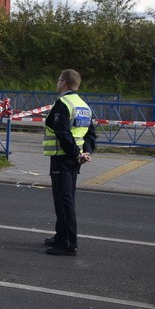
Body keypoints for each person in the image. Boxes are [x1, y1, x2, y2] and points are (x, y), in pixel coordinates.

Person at [42, 69, 97, 256]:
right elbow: (91, 134)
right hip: (75, 159)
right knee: (66, 198)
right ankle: (60, 236)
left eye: (58, 80)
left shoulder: (63, 103)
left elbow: (63, 133)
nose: (57, 82)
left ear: (64, 83)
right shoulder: (83, 105)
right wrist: (86, 152)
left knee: (64, 201)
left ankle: (68, 244)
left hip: (63, 158)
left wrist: (75, 154)